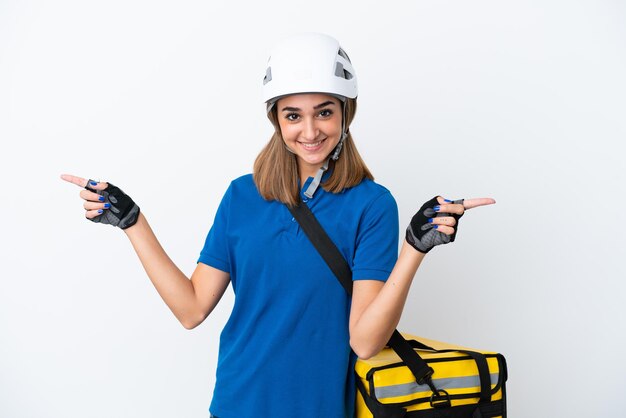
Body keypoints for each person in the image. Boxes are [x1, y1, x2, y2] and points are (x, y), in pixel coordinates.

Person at [61, 33, 495, 418]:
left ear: (346, 114)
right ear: (276, 119)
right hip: (236, 404)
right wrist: (134, 223)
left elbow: (364, 341)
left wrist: (414, 250)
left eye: (324, 112)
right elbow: (191, 309)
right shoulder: (242, 196)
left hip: (320, 408)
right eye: (293, 115)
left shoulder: (372, 204)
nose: (309, 130)